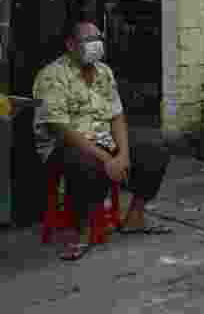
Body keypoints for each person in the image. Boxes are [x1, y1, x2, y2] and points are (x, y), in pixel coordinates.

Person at [33, 20, 171, 261]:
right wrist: (107, 159)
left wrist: (123, 154)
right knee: (86, 163)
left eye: (98, 39)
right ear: (70, 45)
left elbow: (116, 115)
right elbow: (61, 128)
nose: (95, 45)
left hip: (102, 138)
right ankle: (84, 231)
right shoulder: (52, 75)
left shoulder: (104, 72)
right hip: (65, 144)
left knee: (154, 149)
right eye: (88, 40)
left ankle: (135, 218)